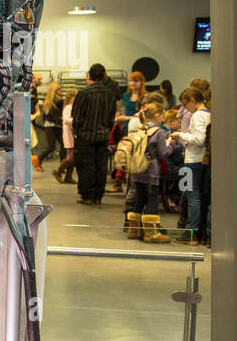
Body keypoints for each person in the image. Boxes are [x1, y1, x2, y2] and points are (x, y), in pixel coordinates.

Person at [123, 103, 171, 244]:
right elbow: (163, 153)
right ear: (157, 115)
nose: (163, 118)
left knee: (139, 199)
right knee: (152, 200)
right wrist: (171, 146)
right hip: (151, 172)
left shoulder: (141, 128)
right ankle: (151, 234)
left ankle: (133, 230)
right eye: (163, 115)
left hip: (138, 171)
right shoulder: (159, 132)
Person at [71, 63, 117, 205]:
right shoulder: (110, 94)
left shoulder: (84, 93)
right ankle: (98, 196)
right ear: (104, 76)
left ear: (89, 75)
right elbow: (111, 116)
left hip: (85, 135)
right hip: (103, 135)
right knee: (101, 166)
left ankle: (87, 195)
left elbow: (76, 116)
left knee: (86, 166)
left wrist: (76, 131)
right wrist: (106, 130)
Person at [170, 86, 210, 245]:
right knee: (191, 194)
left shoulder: (198, 116)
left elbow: (199, 139)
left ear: (192, 101)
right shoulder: (207, 114)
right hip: (198, 160)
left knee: (191, 196)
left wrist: (181, 134)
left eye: (185, 104)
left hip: (193, 160)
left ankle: (191, 232)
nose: (185, 108)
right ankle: (193, 230)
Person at [32, 81, 63, 171]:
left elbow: (47, 115)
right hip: (55, 126)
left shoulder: (49, 100)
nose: (61, 90)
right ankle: (39, 160)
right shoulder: (59, 101)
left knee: (54, 146)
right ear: (55, 90)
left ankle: (61, 165)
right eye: (59, 89)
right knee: (53, 147)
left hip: (50, 125)